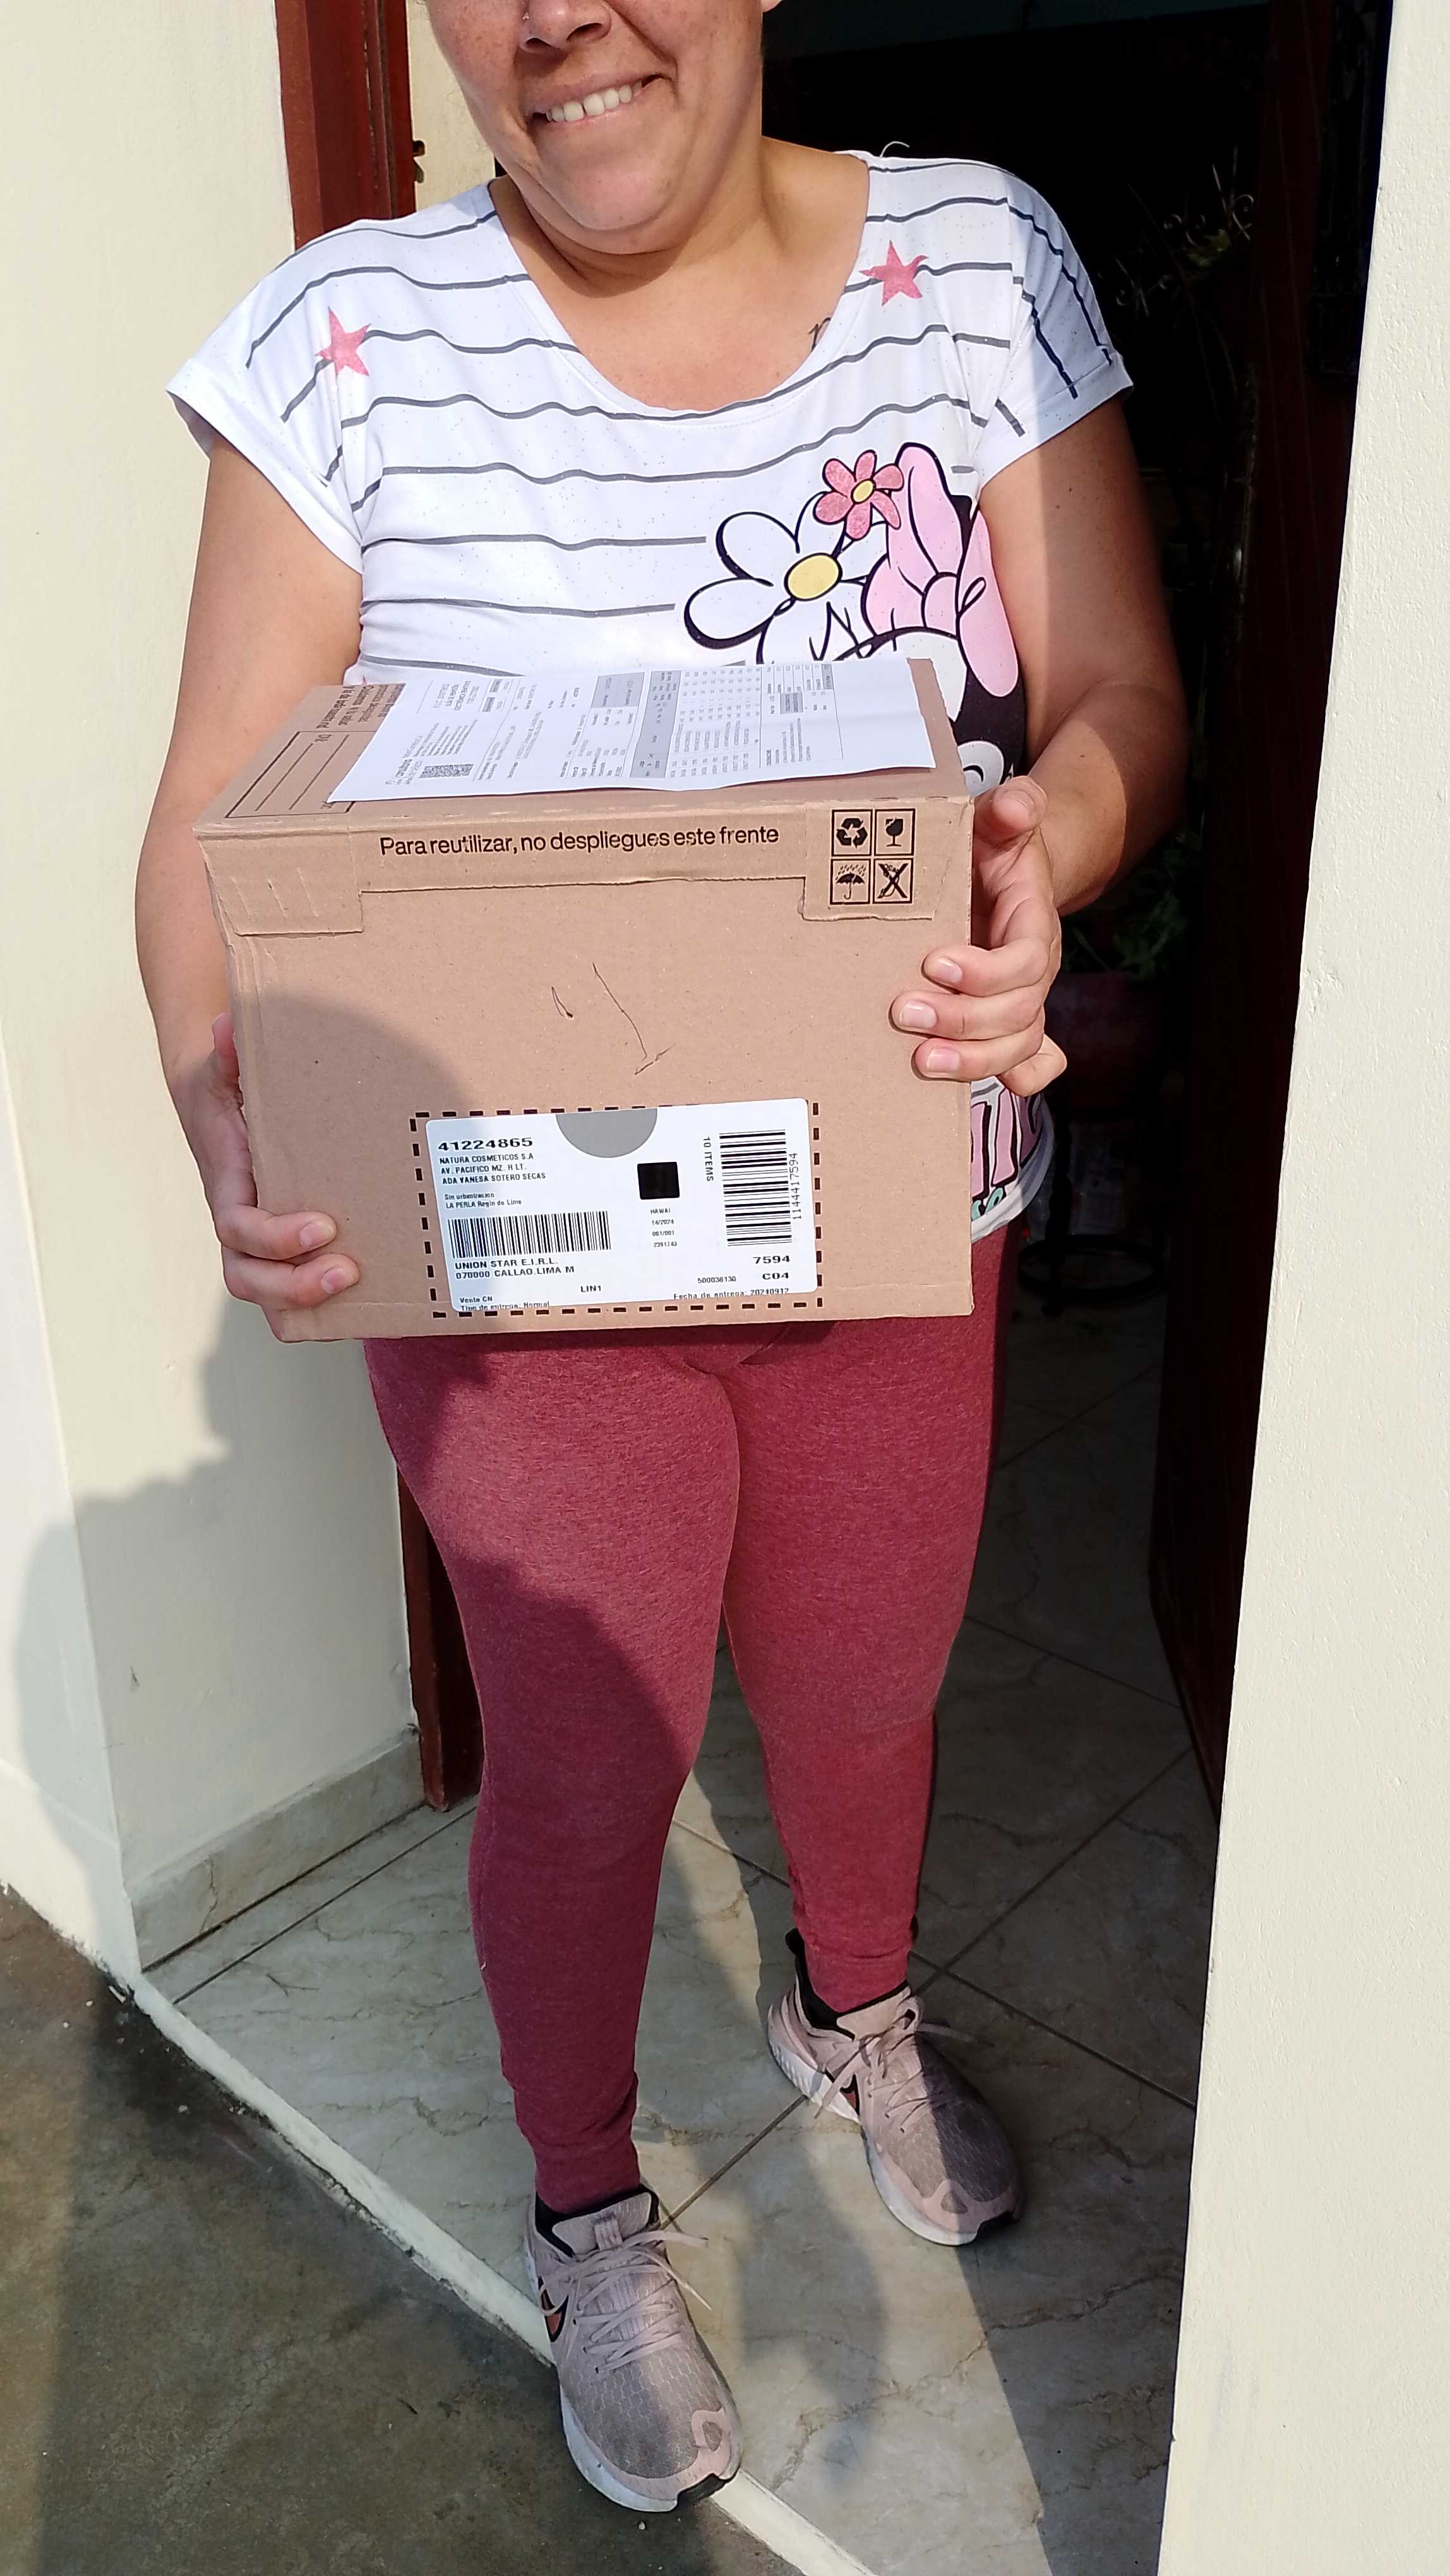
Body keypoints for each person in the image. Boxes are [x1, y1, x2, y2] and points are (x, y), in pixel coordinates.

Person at [138, 0, 1187, 2516]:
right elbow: (212, 818)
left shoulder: (974, 262)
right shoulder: (349, 345)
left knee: (865, 1680)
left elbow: (1126, 692)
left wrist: (1046, 840)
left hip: (891, 1210)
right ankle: (585, 2207)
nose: (562, 19)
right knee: (590, 1762)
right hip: (525, 1272)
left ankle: (855, 2006)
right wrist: (221, 1105)